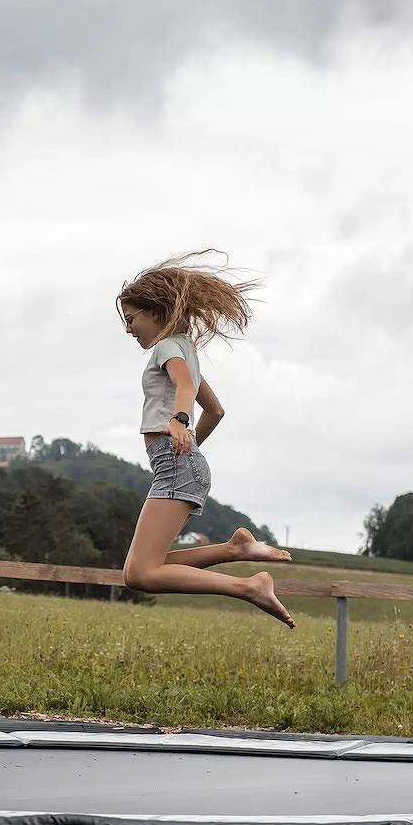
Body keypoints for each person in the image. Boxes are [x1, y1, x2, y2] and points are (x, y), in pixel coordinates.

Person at [116, 253, 297, 627]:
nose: (129, 329)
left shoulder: (167, 347)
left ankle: (250, 586)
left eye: (131, 319)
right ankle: (235, 549)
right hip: (181, 464)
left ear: (156, 312)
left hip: (176, 466)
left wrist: (180, 422)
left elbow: (184, 386)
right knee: (140, 571)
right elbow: (215, 410)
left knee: (141, 574)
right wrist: (189, 448)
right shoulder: (186, 350)